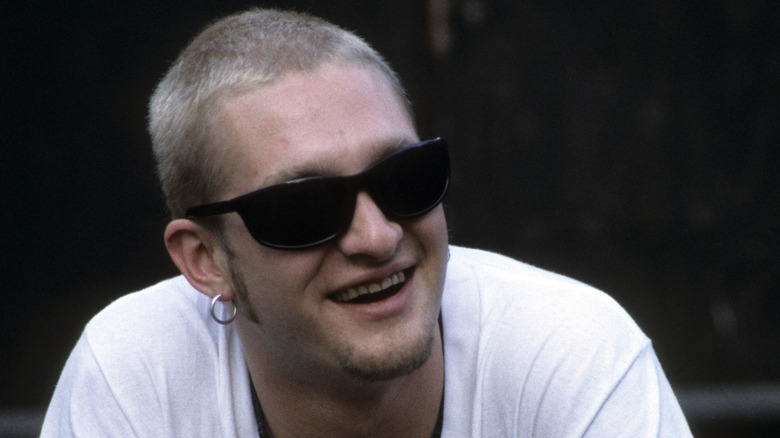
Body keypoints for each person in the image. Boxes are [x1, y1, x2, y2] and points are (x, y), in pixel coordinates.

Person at [41, 8, 691, 437]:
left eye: (404, 180)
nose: (377, 237)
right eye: (304, 208)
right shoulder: (136, 375)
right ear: (205, 261)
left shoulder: (568, 351)